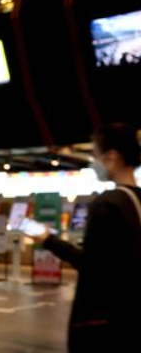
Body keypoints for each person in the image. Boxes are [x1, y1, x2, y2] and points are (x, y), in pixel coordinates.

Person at [31, 123, 141, 353]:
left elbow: (92, 265)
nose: (93, 163)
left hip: (104, 323)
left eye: (95, 155)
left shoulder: (107, 203)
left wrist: (48, 240)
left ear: (111, 157)